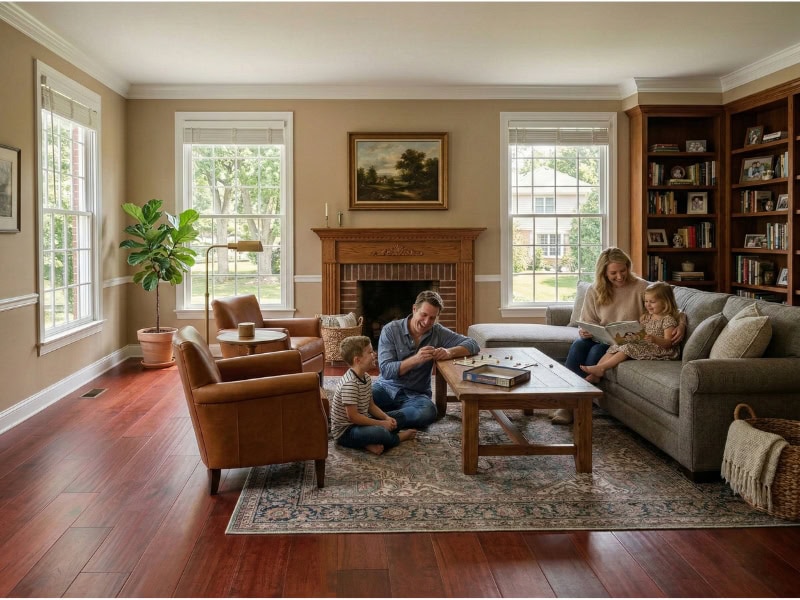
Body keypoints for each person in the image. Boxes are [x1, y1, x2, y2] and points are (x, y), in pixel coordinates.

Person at [557, 247, 686, 425]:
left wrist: (681, 324)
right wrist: (584, 331)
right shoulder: (594, 290)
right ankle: (565, 402)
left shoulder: (641, 287)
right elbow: (587, 320)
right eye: (613, 273)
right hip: (599, 336)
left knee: (596, 352)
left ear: (628, 267)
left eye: (623, 270)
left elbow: (672, 308)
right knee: (578, 345)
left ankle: (576, 407)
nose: (619, 276)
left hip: (625, 340)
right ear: (603, 273)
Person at [372, 290, 480, 429]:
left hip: (416, 395)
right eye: (423, 315)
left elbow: (473, 344)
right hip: (386, 388)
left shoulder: (437, 332)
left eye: (432, 318)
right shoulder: (390, 330)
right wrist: (416, 359)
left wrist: (449, 352)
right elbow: (386, 371)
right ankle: (386, 421)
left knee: (428, 412)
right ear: (414, 309)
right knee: (356, 399)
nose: (426, 322)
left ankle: (376, 421)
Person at [330, 335, 417, 455]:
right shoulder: (349, 384)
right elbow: (353, 417)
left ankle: (368, 443)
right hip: (346, 432)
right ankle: (397, 438)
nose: (374, 354)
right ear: (357, 360)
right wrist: (381, 424)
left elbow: (371, 406)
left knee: (399, 417)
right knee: (381, 432)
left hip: (361, 423)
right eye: (370, 352)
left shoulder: (366, 377)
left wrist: (386, 418)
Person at [580, 282, 680, 383]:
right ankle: (597, 372)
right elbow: (641, 333)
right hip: (647, 345)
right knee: (617, 344)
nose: (648, 305)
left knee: (628, 347)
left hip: (661, 350)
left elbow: (669, 343)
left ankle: (601, 368)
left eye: (652, 302)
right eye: (646, 301)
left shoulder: (668, 320)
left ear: (665, 303)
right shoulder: (647, 317)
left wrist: (655, 339)